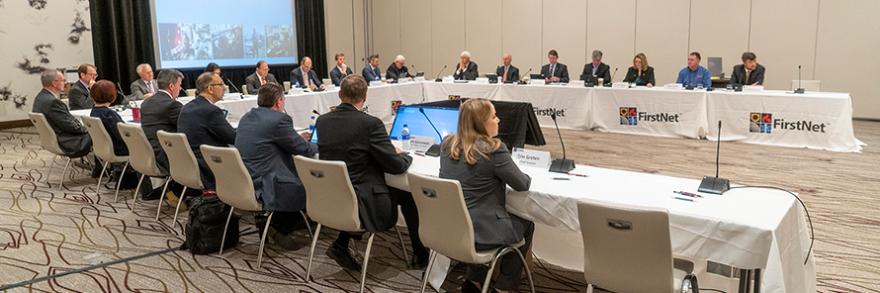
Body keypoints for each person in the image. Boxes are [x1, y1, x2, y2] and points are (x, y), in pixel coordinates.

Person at [315, 74, 429, 271]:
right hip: (364, 200)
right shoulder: (371, 124)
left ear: (340, 94)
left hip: (334, 197)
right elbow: (396, 166)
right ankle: (420, 254)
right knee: (408, 195)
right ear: (365, 97)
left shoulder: (323, 121)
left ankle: (341, 244)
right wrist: (405, 156)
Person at [439, 98, 534, 293]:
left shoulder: (447, 144)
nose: (498, 120)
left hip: (452, 227)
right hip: (481, 232)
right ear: (482, 122)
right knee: (527, 223)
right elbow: (522, 184)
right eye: (494, 116)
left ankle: (473, 282)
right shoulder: (493, 149)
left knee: (479, 215)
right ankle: (503, 288)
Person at [235, 82, 318, 250]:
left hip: (246, 178)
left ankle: (283, 223)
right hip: (266, 182)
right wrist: (321, 144)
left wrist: (295, 137)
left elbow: (271, 140)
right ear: (279, 102)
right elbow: (303, 149)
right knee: (312, 183)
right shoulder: (279, 119)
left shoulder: (247, 117)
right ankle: (281, 226)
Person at [178, 72, 236, 191]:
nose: (224, 88)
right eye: (221, 84)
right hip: (210, 165)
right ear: (210, 89)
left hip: (191, 164)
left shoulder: (187, 107)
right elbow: (233, 138)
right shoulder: (211, 111)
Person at [32, 69, 92, 158]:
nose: (65, 82)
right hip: (66, 141)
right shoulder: (53, 102)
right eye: (63, 80)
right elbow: (71, 127)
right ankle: (105, 168)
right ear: (54, 83)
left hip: (53, 140)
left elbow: (66, 121)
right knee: (101, 134)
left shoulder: (40, 97)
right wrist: (88, 129)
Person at [89, 80, 129, 156]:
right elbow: (122, 134)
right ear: (112, 95)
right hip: (118, 149)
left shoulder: (94, 111)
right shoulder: (109, 114)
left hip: (104, 148)